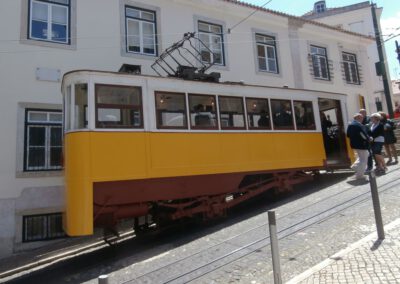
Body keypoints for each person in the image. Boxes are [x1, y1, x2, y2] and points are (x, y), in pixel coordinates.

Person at [346, 113, 370, 180]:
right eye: (361, 118)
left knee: (364, 155)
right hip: (361, 144)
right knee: (364, 159)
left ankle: (355, 166)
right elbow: (363, 135)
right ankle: (360, 175)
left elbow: (348, 135)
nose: (363, 119)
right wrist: (368, 139)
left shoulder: (350, 125)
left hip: (354, 144)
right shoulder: (358, 125)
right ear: (358, 118)